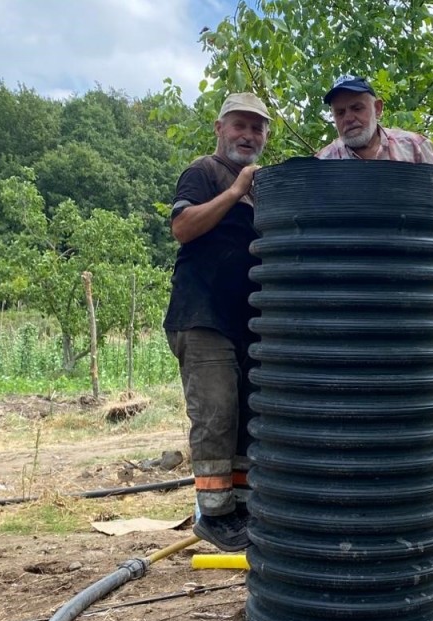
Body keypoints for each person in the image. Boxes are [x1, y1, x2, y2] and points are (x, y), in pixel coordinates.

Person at [163, 92, 271, 552]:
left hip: (247, 322)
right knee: (217, 413)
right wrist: (233, 192)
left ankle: (240, 508)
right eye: (239, 125)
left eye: (256, 128)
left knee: (248, 417)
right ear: (219, 128)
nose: (247, 135)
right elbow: (182, 228)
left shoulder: (261, 188)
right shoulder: (203, 171)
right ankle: (213, 513)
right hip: (201, 316)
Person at [316, 74, 433, 218]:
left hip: (409, 236)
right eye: (340, 113)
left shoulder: (414, 147)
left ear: (377, 109)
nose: (348, 118)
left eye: (357, 108)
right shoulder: (322, 163)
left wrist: (417, 193)